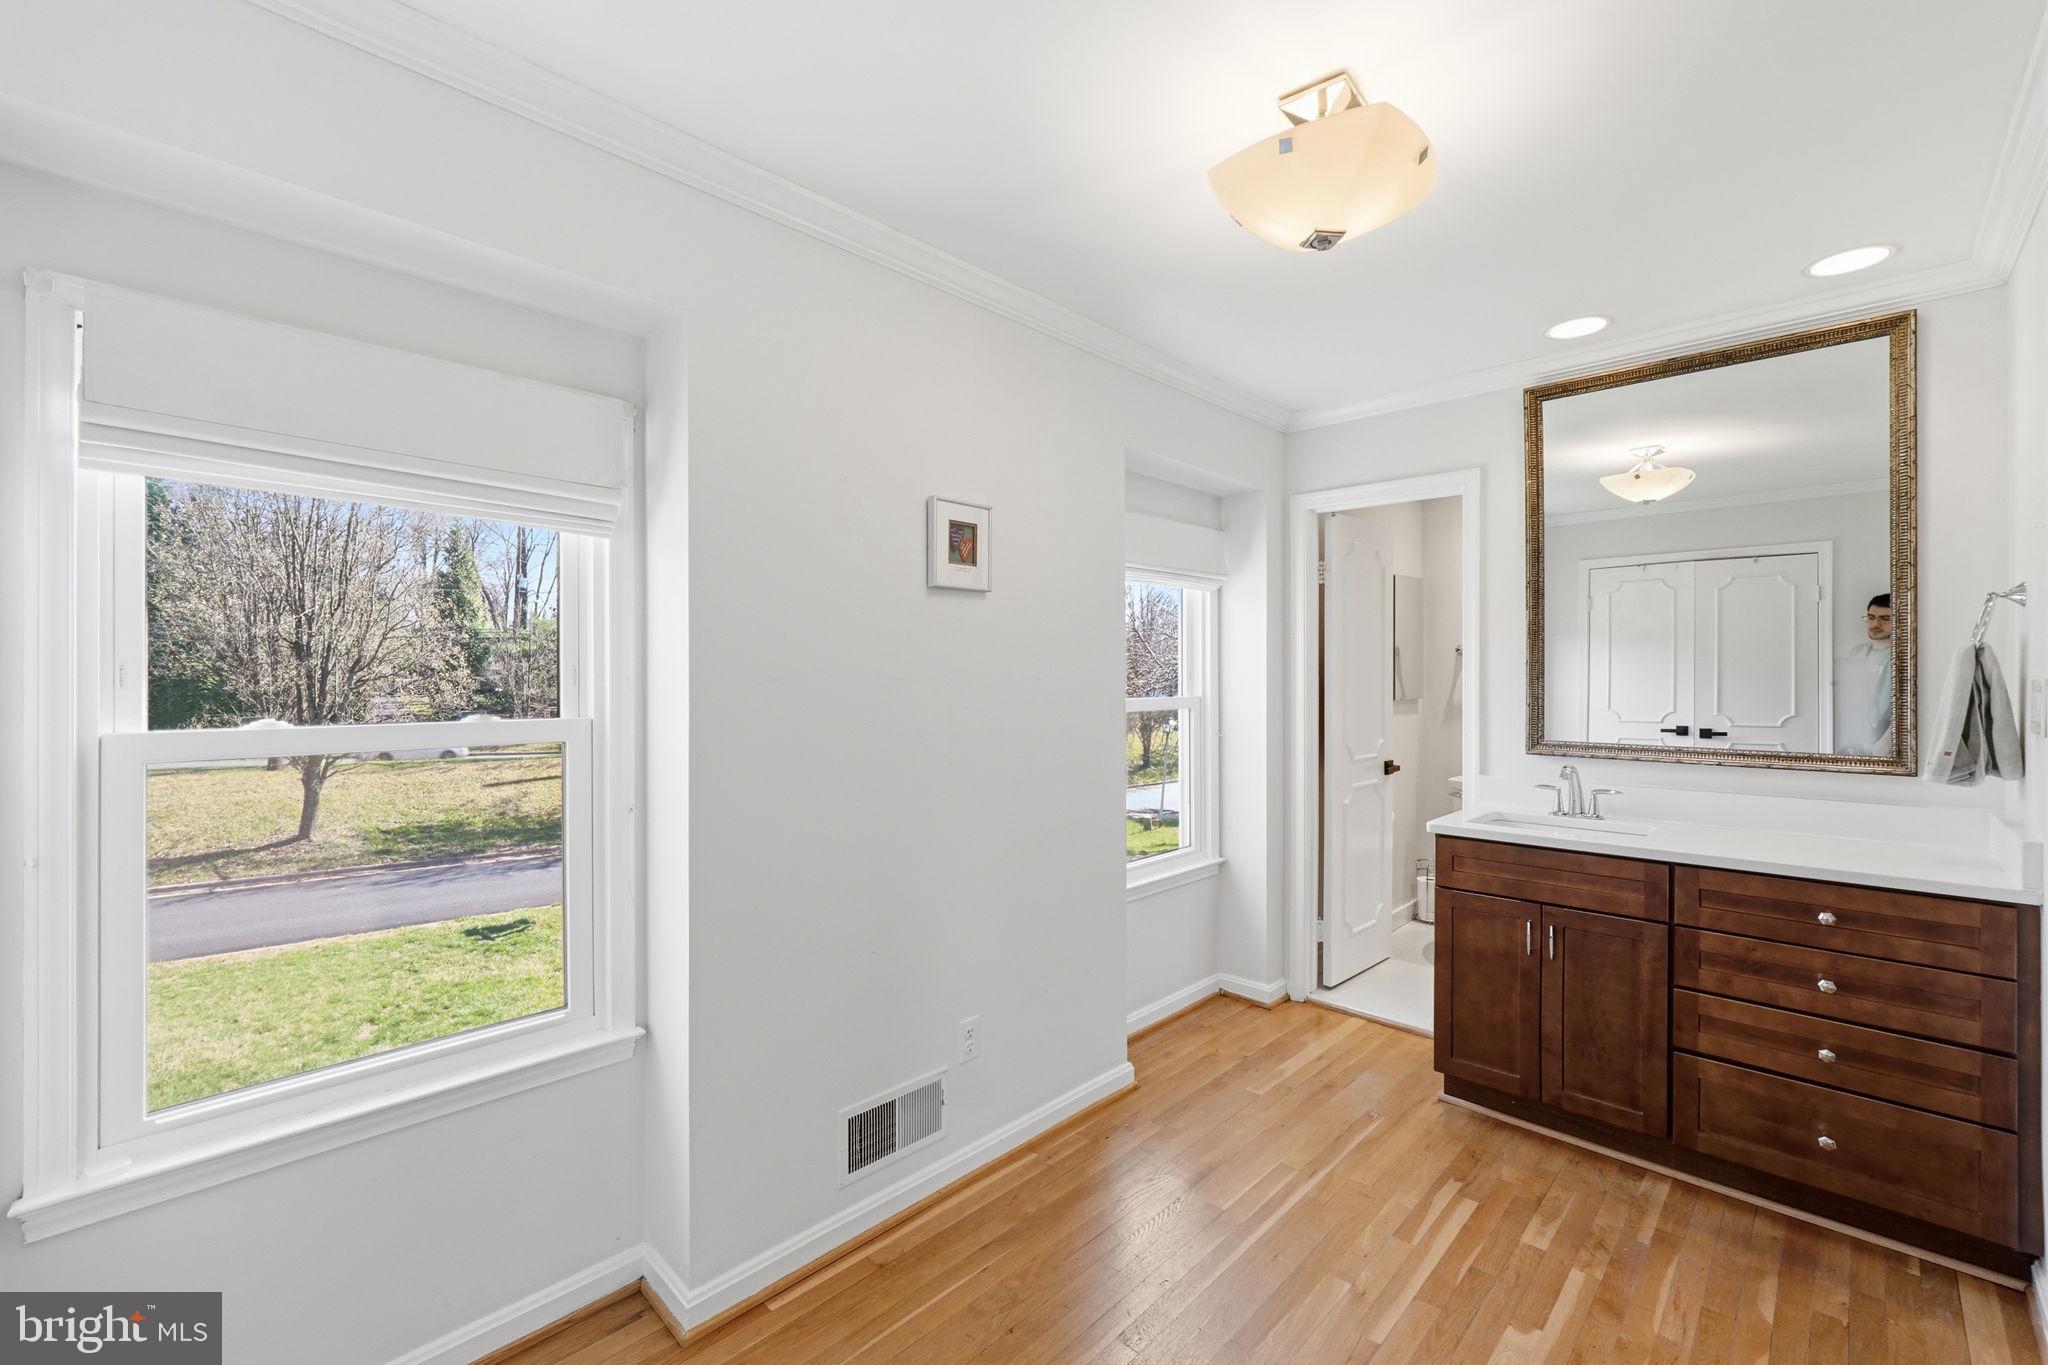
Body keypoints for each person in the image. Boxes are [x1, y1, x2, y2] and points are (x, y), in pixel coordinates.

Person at [1834, 592, 1895, 755]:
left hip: (1886, 734)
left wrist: (1884, 743)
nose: (1875, 623)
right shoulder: (1858, 652)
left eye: (1885, 618)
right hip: (1856, 732)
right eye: (1870, 617)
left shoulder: (1903, 655)